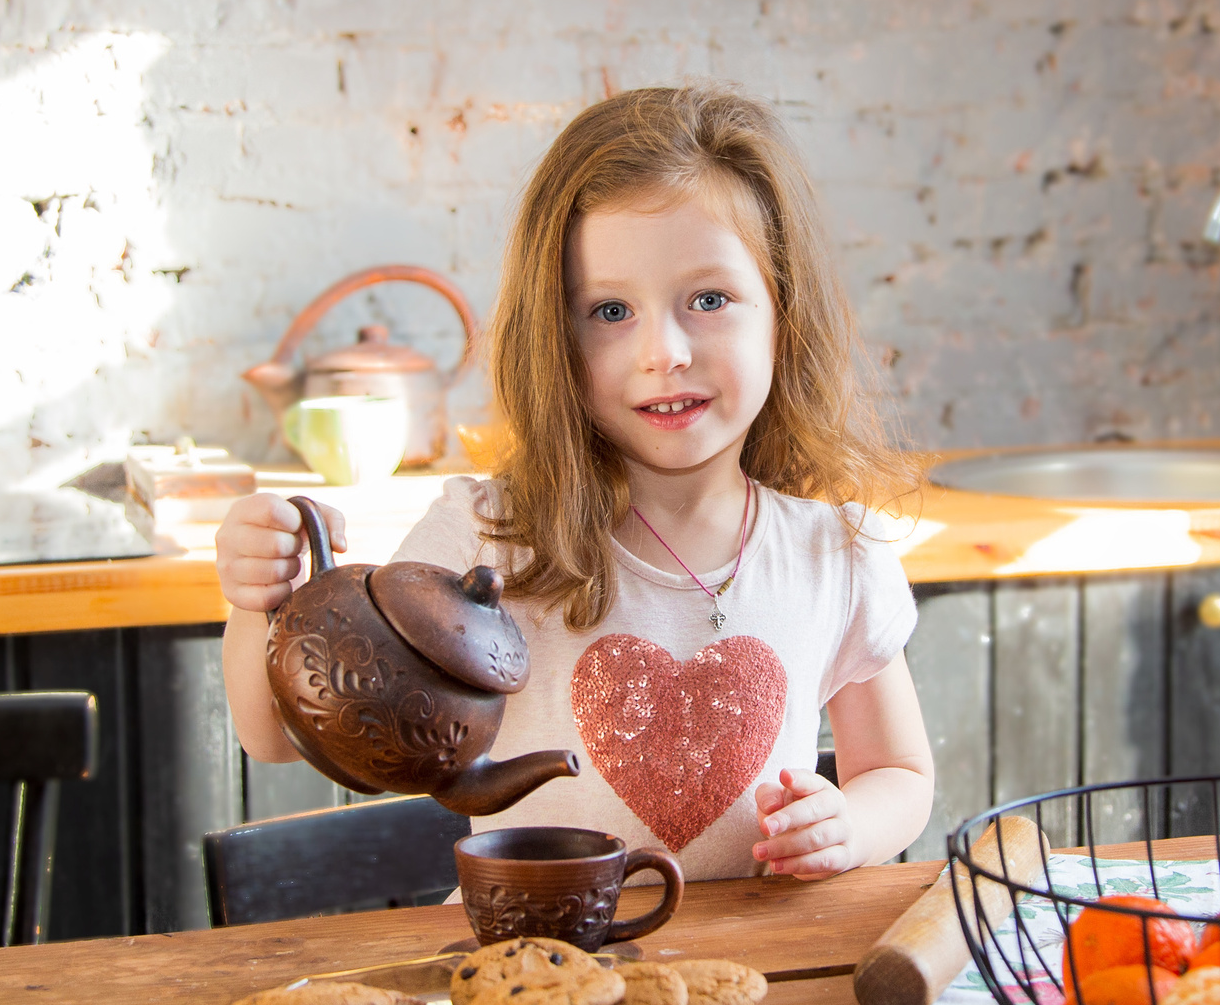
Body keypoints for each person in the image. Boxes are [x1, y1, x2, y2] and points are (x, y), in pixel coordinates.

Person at [215, 85, 936, 881]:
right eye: (609, 311)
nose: (664, 351)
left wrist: (852, 827)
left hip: (758, 979)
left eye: (709, 299)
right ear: (554, 334)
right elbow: (275, 736)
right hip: (539, 975)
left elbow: (898, 774)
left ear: (783, 313)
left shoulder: (834, 553)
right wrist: (260, 602)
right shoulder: (489, 538)